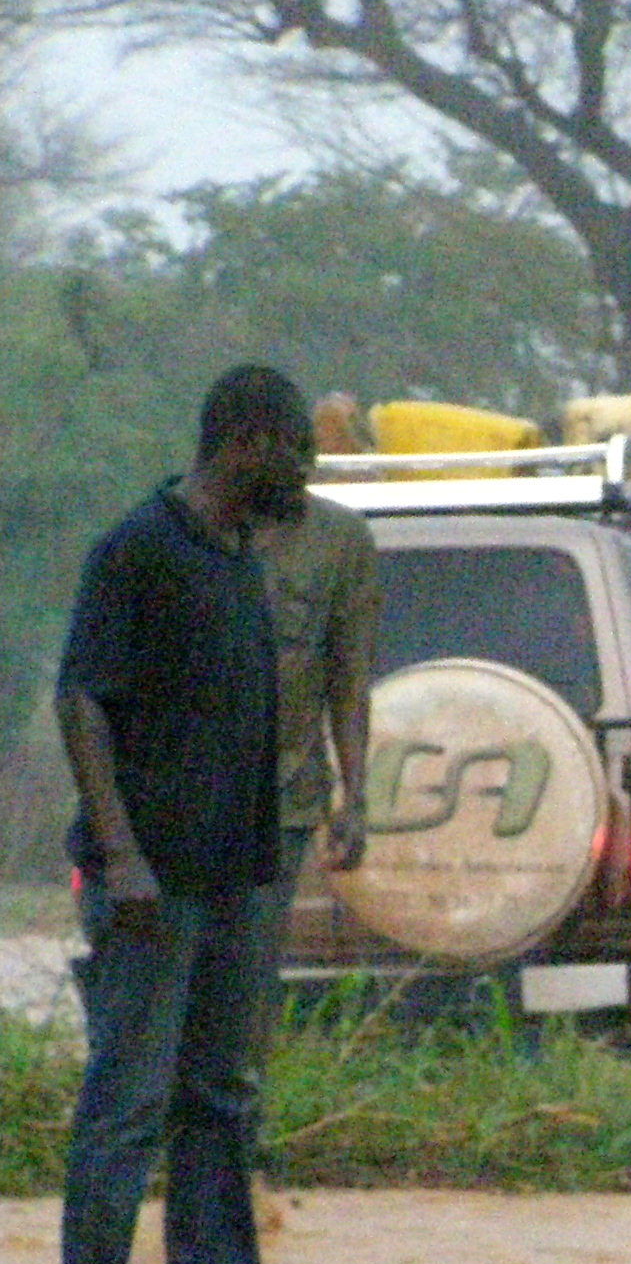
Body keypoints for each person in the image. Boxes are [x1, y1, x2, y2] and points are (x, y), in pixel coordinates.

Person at [37, 367, 302, 1264]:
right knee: (129, 1100)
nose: (303, 477)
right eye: (295, 453)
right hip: (148, 884)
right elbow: (82, 702)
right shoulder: (136, 551)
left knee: (221, 1097)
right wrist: (123, 857)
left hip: (234, 877)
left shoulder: (240, 557)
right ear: (247, 443)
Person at [247, 412, 379, 1041]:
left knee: (249, 986)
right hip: (184, 802)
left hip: (284, 803)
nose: (303, 468)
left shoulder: (339, 539)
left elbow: (349, 679)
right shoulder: (180, 534)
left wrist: (354, 798)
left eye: (310, 454)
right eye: (288, 451)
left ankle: (233, 1130)